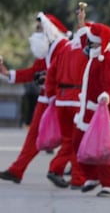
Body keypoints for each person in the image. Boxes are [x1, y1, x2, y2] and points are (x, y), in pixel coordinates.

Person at [0, 13, 71, 185]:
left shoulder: (63, 48)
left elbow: (67, 73)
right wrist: (7, 72)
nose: (37, 32)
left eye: (40, 28)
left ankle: (73, 173)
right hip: (45, 100)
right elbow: (33, 72)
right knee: (33, 137)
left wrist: (47, 78)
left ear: (50, 30)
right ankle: (17, 170)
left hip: (61, 99)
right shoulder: (46, 50)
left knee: (70, 138)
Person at [73, 22, 110, 197]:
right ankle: (92, 176)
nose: (87, 43)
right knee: (78, 142)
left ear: (98, 41)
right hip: (89, 110)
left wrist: (105, 97)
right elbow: (83, 39)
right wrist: (82, 21)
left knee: (104, 149)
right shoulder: (96, 54)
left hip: (105, 112)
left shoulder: (108, 58)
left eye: (91, 41)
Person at [44, 5, 91, 189]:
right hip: (77, 98)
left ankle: (56, 169)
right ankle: (77, 178)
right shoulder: (85, 50)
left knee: (67, 140)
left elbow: (51, 75)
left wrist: (51, 97)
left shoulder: (63, 49)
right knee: (77, 141)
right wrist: (82, 21)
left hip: (62, 99)